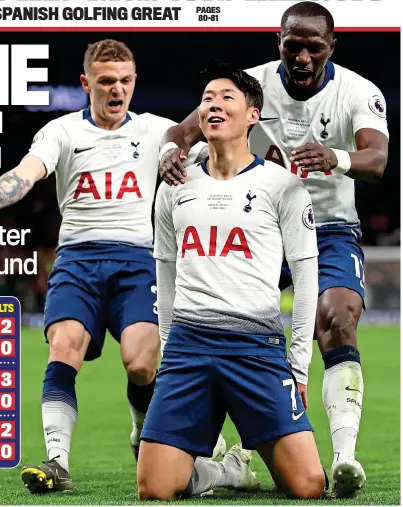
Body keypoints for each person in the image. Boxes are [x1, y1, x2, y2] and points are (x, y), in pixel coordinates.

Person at [157, 1, 389, 497]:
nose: (303, 57)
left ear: (332, 47)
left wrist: (337, 157)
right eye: (293, 45)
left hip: (326, 227)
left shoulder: (357, 91)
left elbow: (378, 158)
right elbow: (181, 131)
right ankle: (222, 446)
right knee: (225, 321)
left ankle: (345, 455)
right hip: (258, 227)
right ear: (277, 42)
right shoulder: (248, 88)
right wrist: (169, 153)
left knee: (338, 315)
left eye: (314, 47)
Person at [0, 39, 208, 494]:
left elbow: (210, 158)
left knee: (141, 364)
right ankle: (57, 461)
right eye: (107, 81)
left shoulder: (157, 130)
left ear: (135, 82)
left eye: (126, 81)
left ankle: (140, 432)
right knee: (65, 346)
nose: (117, 90)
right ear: (85, 83)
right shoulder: (62, 132)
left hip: (137, 260)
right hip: (77, 259)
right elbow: (27, 172)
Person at [137, 60, 326, 501]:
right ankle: (227, 472)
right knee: (154, 489)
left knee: (308, 486)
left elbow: (306, 278)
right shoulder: (173, 187)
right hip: (189, 346)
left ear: (253, 115)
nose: (213, 105)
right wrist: (168, 348)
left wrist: (298, 365)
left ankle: (243, 457)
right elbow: (165, 270)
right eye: (206, 99)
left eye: (226, 98)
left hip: (256, 349)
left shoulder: (283, 187)